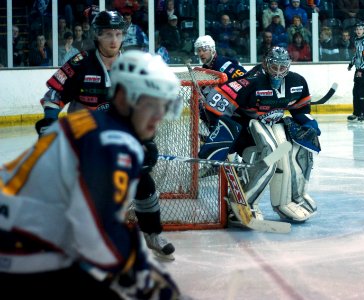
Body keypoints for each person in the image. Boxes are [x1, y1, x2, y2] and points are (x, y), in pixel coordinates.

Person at [0, 50, 182, 299]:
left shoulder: (93, 123)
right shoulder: (112, 142)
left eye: (164, 106)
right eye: (150, 104)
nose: (158, 116)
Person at [37, 10, 177, 261]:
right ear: (97, 36)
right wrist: (49, 121)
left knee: (143, 182)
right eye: (108, 35)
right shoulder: (80, 63)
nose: (114, 40)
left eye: (118, 34)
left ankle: (152, 234)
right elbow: (54, 95)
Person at [198, 46, 320, 223]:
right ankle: (243, 202)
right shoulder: (251, 82)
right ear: (265, 64)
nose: (278, 72)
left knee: (290, 156)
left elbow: (300, 108)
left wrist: (310, 124)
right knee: (267, 159)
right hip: (246, 129)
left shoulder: (297, 82)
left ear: (288, 65)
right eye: (274, 67)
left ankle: (287, 201)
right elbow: (215, 102)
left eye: (282, 67)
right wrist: (224, 131)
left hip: (271, 125)